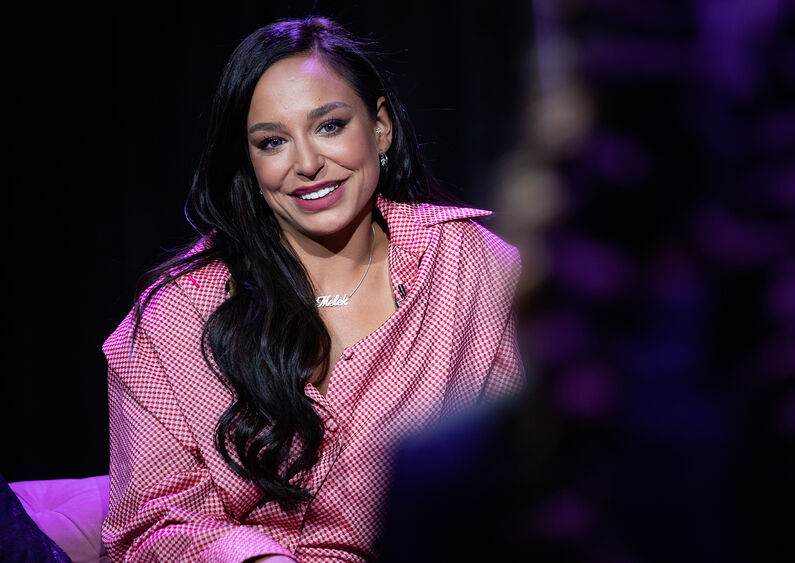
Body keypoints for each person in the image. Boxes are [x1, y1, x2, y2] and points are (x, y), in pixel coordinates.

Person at [101, 16, 522, 563]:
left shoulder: (472, 266)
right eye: (273, 142)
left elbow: (535, 470)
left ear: (380, 128)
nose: (306, 164)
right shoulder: (177, 312)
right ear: (249, 162)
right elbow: (151, 523)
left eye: (329, 126)